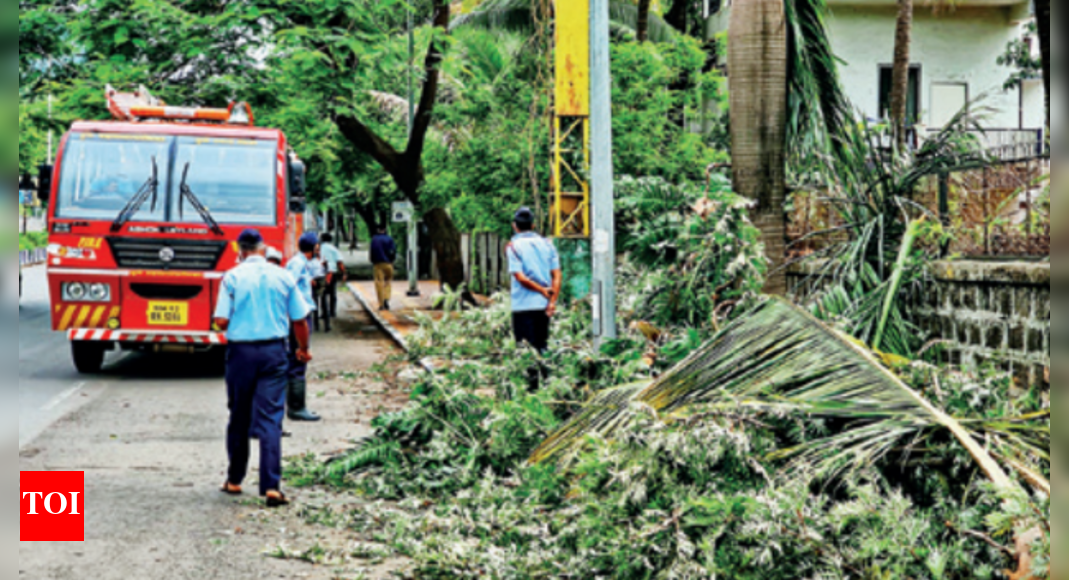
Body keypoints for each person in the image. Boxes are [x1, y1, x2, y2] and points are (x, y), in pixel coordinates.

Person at [213, 229, 312, 508]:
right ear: (263, 248)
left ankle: (234, 480)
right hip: (274, 352)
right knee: (270, 419)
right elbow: (300, 319)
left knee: (239, 415)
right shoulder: (283, 276)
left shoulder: (232, 277)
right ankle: (271, 487)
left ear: (240, 250)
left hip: (241, 353)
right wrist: (303, 349)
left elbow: (220, 320)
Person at [507, 207, 562, 356]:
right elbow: (556, 275)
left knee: (525, 351)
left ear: (514, 226)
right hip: (543, 306)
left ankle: (532, 379)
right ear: (533, 225)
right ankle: (544, 377)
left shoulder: (513, 247)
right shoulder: (548, 245)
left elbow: (520, 277)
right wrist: (552, 301)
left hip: (522, 306)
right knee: (542, 346)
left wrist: (541, 290)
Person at [284, 233, 322, 422]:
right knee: (299, 357)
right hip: (299, 315)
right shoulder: (298, 263)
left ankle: (295, 406)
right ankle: (297, 407)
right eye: (317, 246)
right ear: (314, 247)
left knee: (296, 358)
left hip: (300, 312)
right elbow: (288, 285)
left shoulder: (301, 263)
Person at [319, 232, 347, 324]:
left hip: (321, 273)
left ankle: (323, 312)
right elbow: (340, 262)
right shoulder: (334, 249)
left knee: (322, 294)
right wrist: (343, 273)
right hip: (332, 272)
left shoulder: (318, 249)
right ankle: (332, 312)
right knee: (332, 293)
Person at [370, 225, 397, 311]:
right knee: (388, 281)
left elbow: (372, 251)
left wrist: (372, 260)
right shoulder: (389, 239)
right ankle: (386, 298)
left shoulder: (374, 239)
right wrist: (391, 260)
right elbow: (393, 251)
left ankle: (381, 303)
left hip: (378, 263)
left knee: (379, 282)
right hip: (388, 263)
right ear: (385, 230)